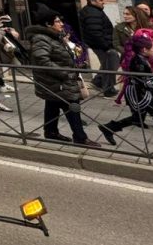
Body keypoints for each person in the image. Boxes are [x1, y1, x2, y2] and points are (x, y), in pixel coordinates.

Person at [27, 14, 99, 146]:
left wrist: (76, 65)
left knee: (52, 104)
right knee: (71, 104)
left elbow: (59, 57)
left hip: (58, 80)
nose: (61, 24)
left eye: (61, 20)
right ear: (48, 24)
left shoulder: (55, 37)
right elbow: (42, 60)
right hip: (58, 80)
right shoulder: (41, 39)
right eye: (58, 21)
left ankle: (50, 132)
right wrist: (65, 73)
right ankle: (80, 137)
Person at [79, 0, 117, 98]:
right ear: (92, 1)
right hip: (101, 44)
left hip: (100, 44)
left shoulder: (94, 11)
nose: (103, 2)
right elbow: (95, 32)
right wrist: (106, 46)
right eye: (100, 0)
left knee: (108, 63)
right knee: (110, 63)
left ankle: (98, 82)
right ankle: (108, 90)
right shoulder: (92, 13)